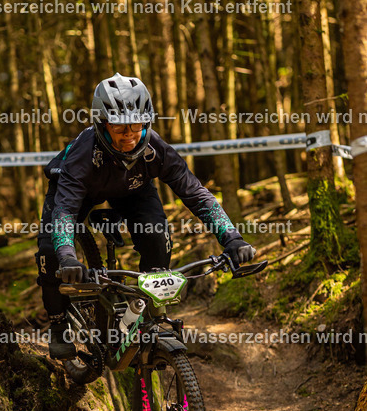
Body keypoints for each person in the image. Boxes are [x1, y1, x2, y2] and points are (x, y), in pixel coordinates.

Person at [36, 73, 256, 359]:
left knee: (156, 236)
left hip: (132, 188)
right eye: (119, 127)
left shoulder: (155, 148)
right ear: (103, 124)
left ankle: (148, 316)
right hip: (76, 191)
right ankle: (58, 325)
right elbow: (65, 210)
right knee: (49, 253)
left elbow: (197, 194)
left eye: (136, 125)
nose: (129, 134)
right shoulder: (84, 155)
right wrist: (66, 255)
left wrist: (232, 238)